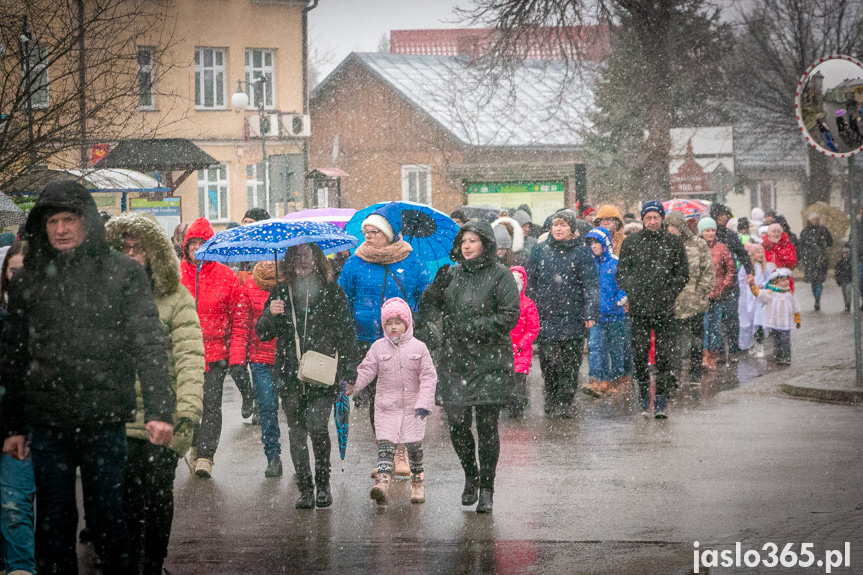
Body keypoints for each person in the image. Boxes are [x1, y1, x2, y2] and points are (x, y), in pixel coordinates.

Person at [0, 180, 174, 575]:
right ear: (41, 226)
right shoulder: (28, 280)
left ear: (87, 222)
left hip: (104, 417)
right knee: (54, 525)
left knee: (109, 521)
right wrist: (12, 426)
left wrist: (160, 410)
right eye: (53, 221)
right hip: (47, 423)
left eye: (69, 219)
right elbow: (13, 357)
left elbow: (148, 345)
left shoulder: (123, 274)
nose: (61, 228)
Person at [105, 213, 204, 575]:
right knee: (124, 499)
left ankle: (152, 562)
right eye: (124, 248)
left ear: (154, 253)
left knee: (158, 495)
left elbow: (191, 357)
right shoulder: (105, 294)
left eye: (139, 248)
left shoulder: (174, 297)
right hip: (117, 413)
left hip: (162, 414)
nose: (132, 255)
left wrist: (187, 413)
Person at [419, 221, 520, 513]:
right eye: (463, 241)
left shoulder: (501, 275)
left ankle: (487, 487)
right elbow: (428, 311)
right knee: (458, 425)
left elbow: (509, 316)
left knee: (487, 427)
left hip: (490, 361)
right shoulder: (451, 274)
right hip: (455, 360)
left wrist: (473, 328)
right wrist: (434, 289)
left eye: (473, 240)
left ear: (485, 244)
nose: (466, 246)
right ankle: (470, 475)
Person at [256, 243, 359, 509]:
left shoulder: (333, 292)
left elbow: (346, 334)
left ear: (317, 259)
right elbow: (263, 333)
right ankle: (305, 487)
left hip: (323, 373)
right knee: (296, 433)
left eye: (307, 255)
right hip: (289, 374)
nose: (302, 260)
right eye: (297, 256)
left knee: (316, 427)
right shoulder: (280, 292)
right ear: (290, 260)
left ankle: (323, 484)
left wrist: (348, 374)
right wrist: (270, 313)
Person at [338, 202, 431, 478]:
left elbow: (426, 298)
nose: (368, 236)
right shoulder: (354, 261)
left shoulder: (411, 261)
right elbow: (342, 299)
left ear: (390, 234)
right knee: (378, 401)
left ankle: (401, 453)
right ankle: (385, 454)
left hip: (402, 343)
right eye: (366, 231)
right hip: (365, 342)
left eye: (374, 231)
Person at [349, 297, 437, 505]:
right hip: (386, 407)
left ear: (407, 323)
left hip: (413, 409)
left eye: (398, 322)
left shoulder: (419, 348)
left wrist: (424, 403)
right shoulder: (378, 348)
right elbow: (367, 370)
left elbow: (428, 377)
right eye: (389, 323)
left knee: (414, 448)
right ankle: (382, 483)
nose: (394, 327)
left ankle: (417, 483)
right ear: (383, 326)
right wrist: (353, 385)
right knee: (386, 447)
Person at [180, 217, 245, 478]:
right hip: (184, 354)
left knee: (210, 405)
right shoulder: (175, 274)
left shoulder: (226, 276)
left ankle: (206, 456)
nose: (196, 248)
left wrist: (236, 355)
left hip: (216, 355)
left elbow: (238, 319)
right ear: (185, 246)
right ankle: (195, 445)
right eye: (192, 243)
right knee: (188, 405)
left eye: (201, 243)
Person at [616, 201, 689, 419]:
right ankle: (643, 397)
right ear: (642, 219)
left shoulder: (673, 243)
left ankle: (660, 402)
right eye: (648, 217)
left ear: (662, 219)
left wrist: (669, 292)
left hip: (665, 309)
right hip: (639, 310)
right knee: (639, 354)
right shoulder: (631, 243)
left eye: (656, 217)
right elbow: (622, 272)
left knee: (664, 356)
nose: (652, 221)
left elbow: (682, 274)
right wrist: (634, 290)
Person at [524, 209, 599, 418]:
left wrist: (590, 311)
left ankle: (566, 400)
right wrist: (531, 309)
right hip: (546, 314)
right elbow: (530, 283)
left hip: (573, 314)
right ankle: (551, 397)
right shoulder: (539, 250)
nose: (558, 229)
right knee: (549, 362)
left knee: (571, 362)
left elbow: (590, 284)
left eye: (563, 225)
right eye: (556, 225)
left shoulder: (582, 252)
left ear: (571, 229)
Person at [0, 241, 36, 575]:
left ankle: (21, 566)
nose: (18, 277)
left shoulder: (40, 316)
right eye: (14, 270)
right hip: (11, 423)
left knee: (17, 505)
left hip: (29, 424)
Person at [230, 261, 281, 477]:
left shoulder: (290, 284)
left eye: (274, 258)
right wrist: (237, 360)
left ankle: (300, 459)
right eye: (266, 258)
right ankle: (273, 457)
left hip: (289, 359)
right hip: (260, 360)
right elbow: (241, 326)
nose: (270, 263)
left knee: (296, 413)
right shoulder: (249, 286)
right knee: (267, 408)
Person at [664, 211, 714, 387]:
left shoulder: (698, 244)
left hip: (695, 300)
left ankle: (694, 373)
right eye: (668, 227)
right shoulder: (666, 245)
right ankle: (675, 373)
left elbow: (707, 271)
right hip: (673, 301)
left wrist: (700, 292)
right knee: (675, 340)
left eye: (674, 227)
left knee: (696, 339)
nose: (671, 230)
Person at [582, 227, 630, 396]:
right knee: (595, 346)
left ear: (605, 243)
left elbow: (624, 284)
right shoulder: (588, 265)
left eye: (596, 242)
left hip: (615, 314)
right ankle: (596, 379)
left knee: (615, 348)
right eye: (591, 243)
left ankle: (616, 378)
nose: (593, 246)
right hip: (596, 314)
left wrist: (619, 300)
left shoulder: (615, 263)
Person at [709, 204, 754, 360]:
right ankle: (720, 351)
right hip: (713, 284)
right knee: (717, 318)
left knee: (732, 317)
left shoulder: (730, 235)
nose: (724, 218)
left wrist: (750, 271)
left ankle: (733, 349)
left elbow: (743, 254)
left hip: (731, 283)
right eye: (721, 215)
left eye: (725, 215)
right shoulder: (708, 236)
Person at [699, 218, 736, 370]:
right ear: (701, 232)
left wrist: (724, 286)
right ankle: (704, 355)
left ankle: (713, 355)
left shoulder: (722, 248)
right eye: (707, 230)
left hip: (718, 294)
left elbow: (730, 269)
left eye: (712, 230)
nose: (710, 233)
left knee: (715, 327)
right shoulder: (697, 248)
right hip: (701, 295)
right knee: (703, 326)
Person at [748, 268, 800, 366]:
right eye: (783, 280)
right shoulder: (770, 293)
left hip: (785, 323)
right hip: (774, 323)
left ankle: (786, 357)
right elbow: (758, 293)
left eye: (787, 280)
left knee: (785, 340)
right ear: (776, 282)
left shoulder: (789, 294)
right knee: (776, 340)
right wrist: (752, 285)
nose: (786, 282)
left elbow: (795, 306)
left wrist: (797, 319)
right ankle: (779, 355)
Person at [508, 266, 540, 417]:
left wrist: (521, 345)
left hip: (521, 350)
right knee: (505, 379)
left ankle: (517, 409)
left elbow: (533, 328)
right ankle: (509, 405)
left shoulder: (528, 305)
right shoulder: (502, 303)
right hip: (505, 348)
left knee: (519, 380)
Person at [739, 243, 774, 354]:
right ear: (752, 255)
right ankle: (749, 345)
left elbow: (770, 280)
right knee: (747, 323)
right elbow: (740, 280)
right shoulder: (747, 267)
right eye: (758, 252)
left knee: (759, 322)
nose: (760, 254)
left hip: (760, 298)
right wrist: (748, 285)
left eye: (761, 252)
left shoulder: (766, 268)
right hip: (748, 298)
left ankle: (759, 344)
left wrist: (762, 285)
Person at [799, 213, 833, 311]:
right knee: (813, 281)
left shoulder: (823, 230)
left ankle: (818, 298)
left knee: (819, 280)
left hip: (821, 259)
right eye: (813, 219)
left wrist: (823, 247)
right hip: (810, 260)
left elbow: (830, 241)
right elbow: (801, 245)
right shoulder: (805, 232)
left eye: (816, 219)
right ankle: (816, 297)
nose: (814, 221)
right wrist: (803, 257)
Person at [237, 208, 271, 284]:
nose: (246, 225)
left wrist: (251, 275)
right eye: (245, 221)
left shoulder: (269, 246)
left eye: (251, 222)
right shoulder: (238, 245)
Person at [762, 223, 798, 291]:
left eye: (778, 232)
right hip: (768, 279)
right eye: (774, 231)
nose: (776, 234)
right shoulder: (764, 246)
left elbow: (793, 262)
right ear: (769, 233)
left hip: (784, 278)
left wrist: (778, 252)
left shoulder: (787, 245)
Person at [836, 243, 853, 313]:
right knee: (844, 293)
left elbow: (853, 272)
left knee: (848, 292)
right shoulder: (840, 263)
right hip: (843, 280)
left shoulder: (851, 262)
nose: (844, 255)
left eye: (846, 253)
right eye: (844, 253)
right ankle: (846, 304)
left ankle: (848, 304)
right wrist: (838, 280)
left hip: (849, 280)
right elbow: (837, 272)